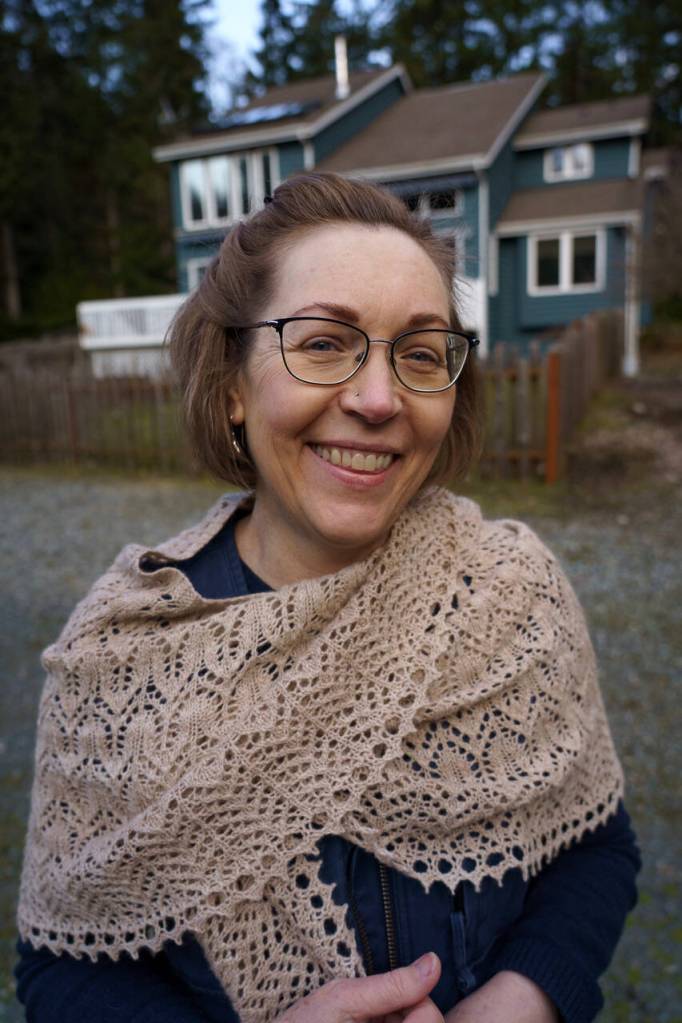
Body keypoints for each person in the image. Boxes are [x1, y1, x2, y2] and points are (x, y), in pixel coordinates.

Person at [15, 172, 640, 1023]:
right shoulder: (119, 663)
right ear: (233, 383)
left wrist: (524, 998)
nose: (378, 398)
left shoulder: (515, 597)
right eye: (321, 342)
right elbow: (65, 963)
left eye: (420, 354)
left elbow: (594, 845)